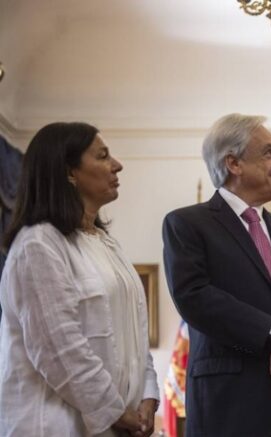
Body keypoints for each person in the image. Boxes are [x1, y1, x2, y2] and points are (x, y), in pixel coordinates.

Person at [162, 113, 271, 437]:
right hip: (230, 409)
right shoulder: (187, 225)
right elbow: (193, 296)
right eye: (269, 152)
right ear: (234, 163)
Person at [0, 122, 159, 436]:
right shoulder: (39, 243)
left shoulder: (104, 241)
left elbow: (137, 333)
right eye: (102, 156)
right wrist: (115, 411)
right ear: (69, 172)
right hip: (55, 425)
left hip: (117, 423)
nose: (117, 165)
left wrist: (148, 395)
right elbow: (57, 347)